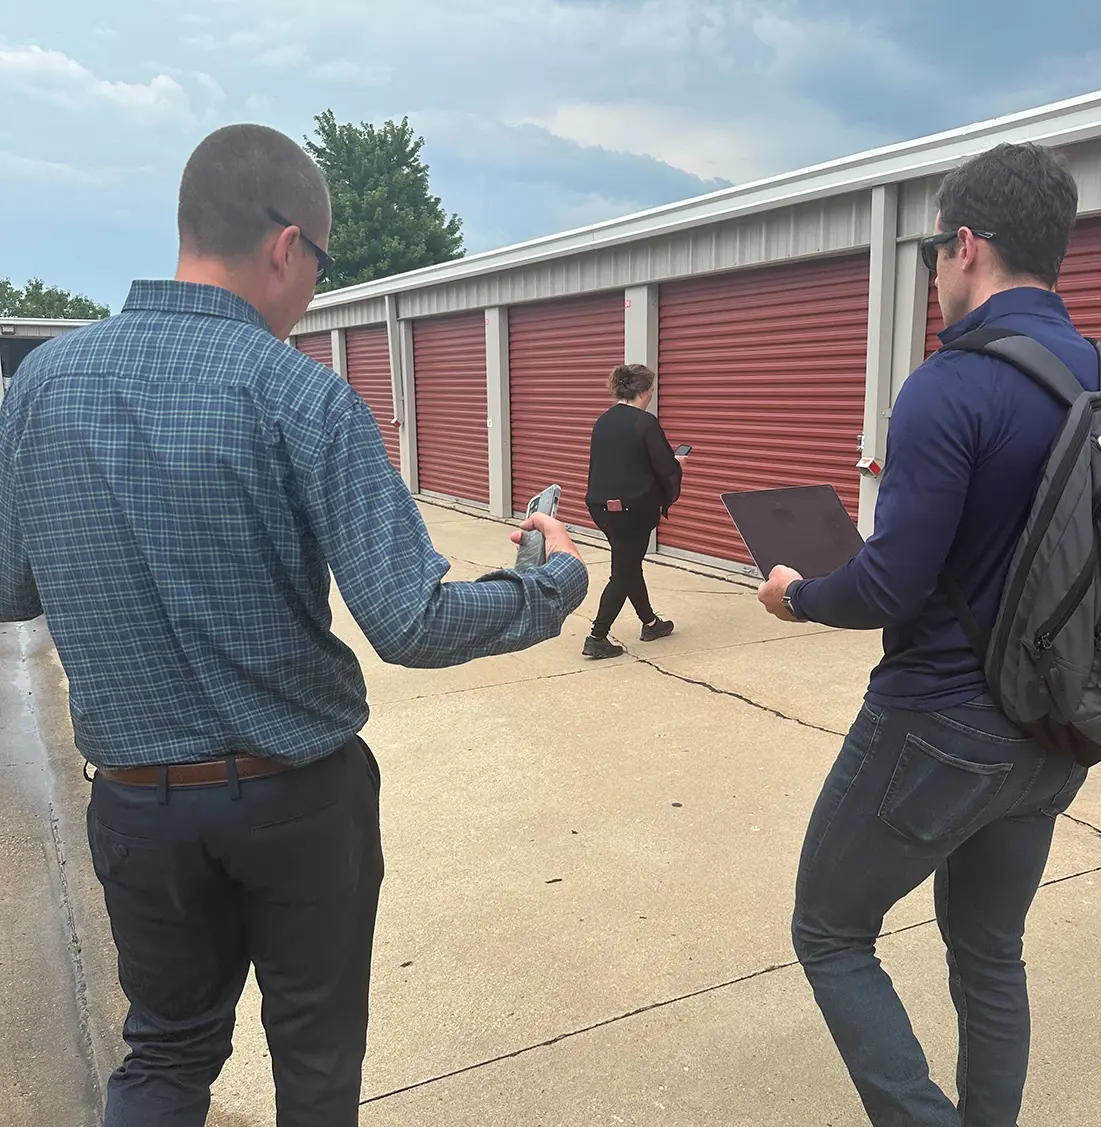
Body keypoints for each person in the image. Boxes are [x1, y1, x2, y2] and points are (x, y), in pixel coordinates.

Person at [0, 124, 587, 1127]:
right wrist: (553, 581)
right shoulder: (300, 393)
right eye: (320, 263)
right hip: (297, 800)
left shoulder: (42, 385)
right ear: (286, 245)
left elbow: (13, 591)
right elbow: (412, 620)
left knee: (165, 1056)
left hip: (139, 807)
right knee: (315, 1061)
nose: (314, 287)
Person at [757, 142, 1092, 1126]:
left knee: (829, 927)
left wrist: (800, 592)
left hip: (941, 719)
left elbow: (892, 585)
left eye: (934, 256)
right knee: (990, 949)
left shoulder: (948, 386)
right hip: (1055, 725)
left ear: (967, 245)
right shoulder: (1100, 373)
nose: (935, 276)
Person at [583, 363, 684, 659]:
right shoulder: (644, 423)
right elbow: (665, 467)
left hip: (601, 507)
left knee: (628, 564)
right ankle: (596, 637)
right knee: (623, 572)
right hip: (632, 510)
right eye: (651, 391)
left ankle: (650, 623)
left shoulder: (602, 421)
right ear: (643, 392)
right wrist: (678, 465)